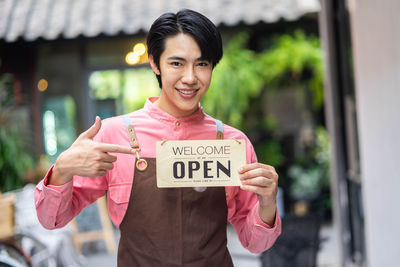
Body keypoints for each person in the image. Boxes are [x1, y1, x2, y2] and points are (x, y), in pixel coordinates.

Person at [35, 9, 281, 266]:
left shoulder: (232, 143)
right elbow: (51, 220)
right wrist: (61, 170)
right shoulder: (114, 136)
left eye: (202, 64)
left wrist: (267, 203)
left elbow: (256, 244)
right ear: (155, 63)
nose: (190, 78)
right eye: (177, 63)